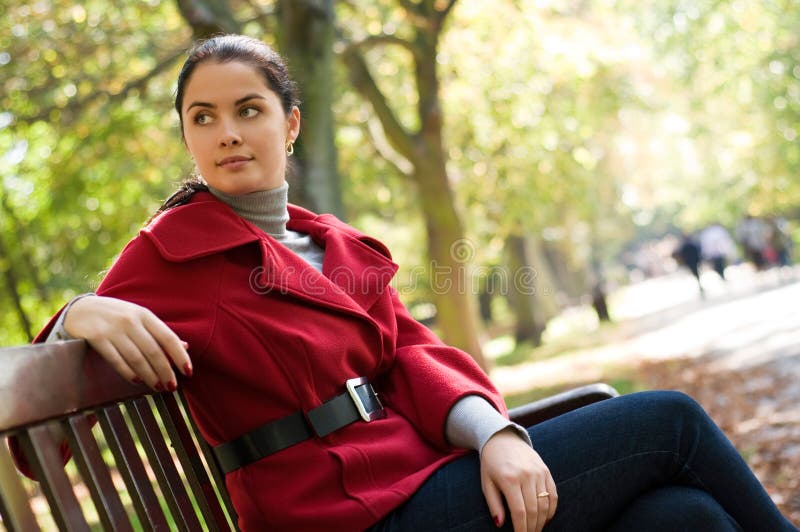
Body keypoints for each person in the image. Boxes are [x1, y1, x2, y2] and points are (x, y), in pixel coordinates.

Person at [10, 35, 796, 532]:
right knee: (671, 423)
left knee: (679, 516)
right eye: (202, 118)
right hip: (338, 514)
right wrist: (78, 310)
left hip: (423, 479)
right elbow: (33, 436)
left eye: (247, 110)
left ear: (289, 124)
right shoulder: (169, 251)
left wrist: (498, 436)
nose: (226, 134)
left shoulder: (332, 243)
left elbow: (413, 356)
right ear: (185, 135)